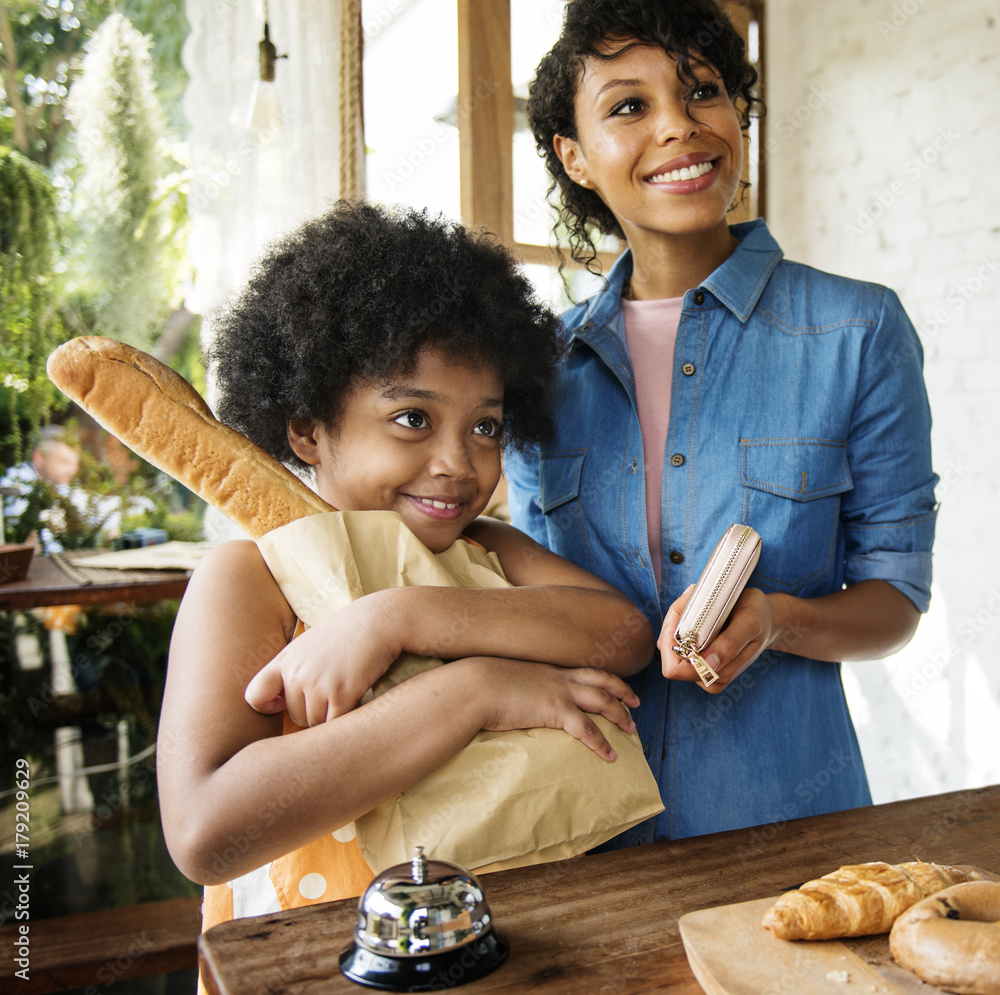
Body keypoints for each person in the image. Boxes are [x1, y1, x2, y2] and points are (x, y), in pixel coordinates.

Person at [504, 0, 938, 846]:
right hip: (584, 834)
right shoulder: (535, 371)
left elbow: (897, 598)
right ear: (576, 157)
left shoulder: (859, 331)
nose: (678, 127)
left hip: (786, 829)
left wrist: (777, 619)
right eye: (629, 106)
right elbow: (528, 604)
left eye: (702, 91)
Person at [157, 201, 655, 934]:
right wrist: (477, 690)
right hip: (310, 960)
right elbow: (205, 831)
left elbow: (624, 635)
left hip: (497, 942)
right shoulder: (251, 579)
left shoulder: (483, 549)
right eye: (412, 418)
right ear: (307, 428)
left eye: (485, 426)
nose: (458, 463)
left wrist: (399, 615)